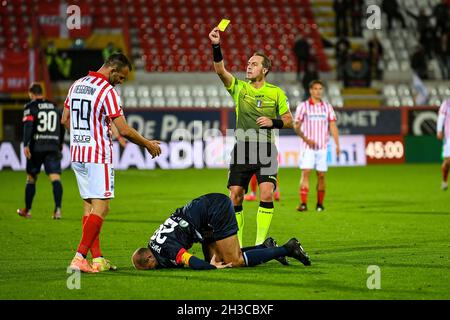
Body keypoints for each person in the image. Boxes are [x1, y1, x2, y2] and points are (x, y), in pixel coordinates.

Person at [62, 53, 162, 273]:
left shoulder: (76, 85)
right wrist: (147, 144)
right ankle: (79, 257)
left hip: (77, 152)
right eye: (122, 77)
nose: (121, 82)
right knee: (102, 206)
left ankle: (97, 259)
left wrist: (82, 136)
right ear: (113, 70)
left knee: (89, 206)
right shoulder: (107, 91)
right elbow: (124, 130)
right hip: (97, 154)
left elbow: (65, 119)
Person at [208, 26, 294, 248]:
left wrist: (272, 122)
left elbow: (289, 120)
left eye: (254, 63)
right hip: (243, 148)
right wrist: (216, 45)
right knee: (235, 195)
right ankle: (237, 244)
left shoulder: (276, 93)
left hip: (265, 148)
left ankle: (259, 243)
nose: (248, 66)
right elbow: (220, 70)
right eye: (248, 63)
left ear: (264, 70)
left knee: (266, 193)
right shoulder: (239, 88)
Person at [132, 193, 311, 270]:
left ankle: (289, 248)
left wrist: (210, 267)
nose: (153, 269)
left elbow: (192, 262)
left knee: (234, 261)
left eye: (149, 268)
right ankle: (264, 247)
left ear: (149, 258)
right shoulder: (154, 243)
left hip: (213, 211)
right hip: (200, 217)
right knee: (219, 258)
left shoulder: (165, 250)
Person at [17, 83, 65, 220]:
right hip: (52, 146)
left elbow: (28, 126)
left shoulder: (30, 107)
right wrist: (60, 142)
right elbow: (62, 126)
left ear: (31, 93)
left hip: (36, 147)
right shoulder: (54, 106)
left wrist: (26, 144)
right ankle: (58, 210)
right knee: (55, 178)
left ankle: (28, 210)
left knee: (31, 178)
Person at [294, 80, 340, 212]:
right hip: (307, 147)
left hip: (323, 147)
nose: (318, 91)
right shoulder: (303, 106)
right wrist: (306, 139)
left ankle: (320, 204)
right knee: (306, 173)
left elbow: (333, 126)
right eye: (315, 88)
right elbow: (296, 127)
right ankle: (303, 204)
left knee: (321, 175)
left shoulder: (327, 107)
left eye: (320, 88)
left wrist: (337, 144)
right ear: (310, 90)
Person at [437, 99, 450, 191]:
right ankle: (444, 181)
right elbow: (441, 117)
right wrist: (439, 130)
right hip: (449, 136)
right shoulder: (446, 103)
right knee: (448, 162)